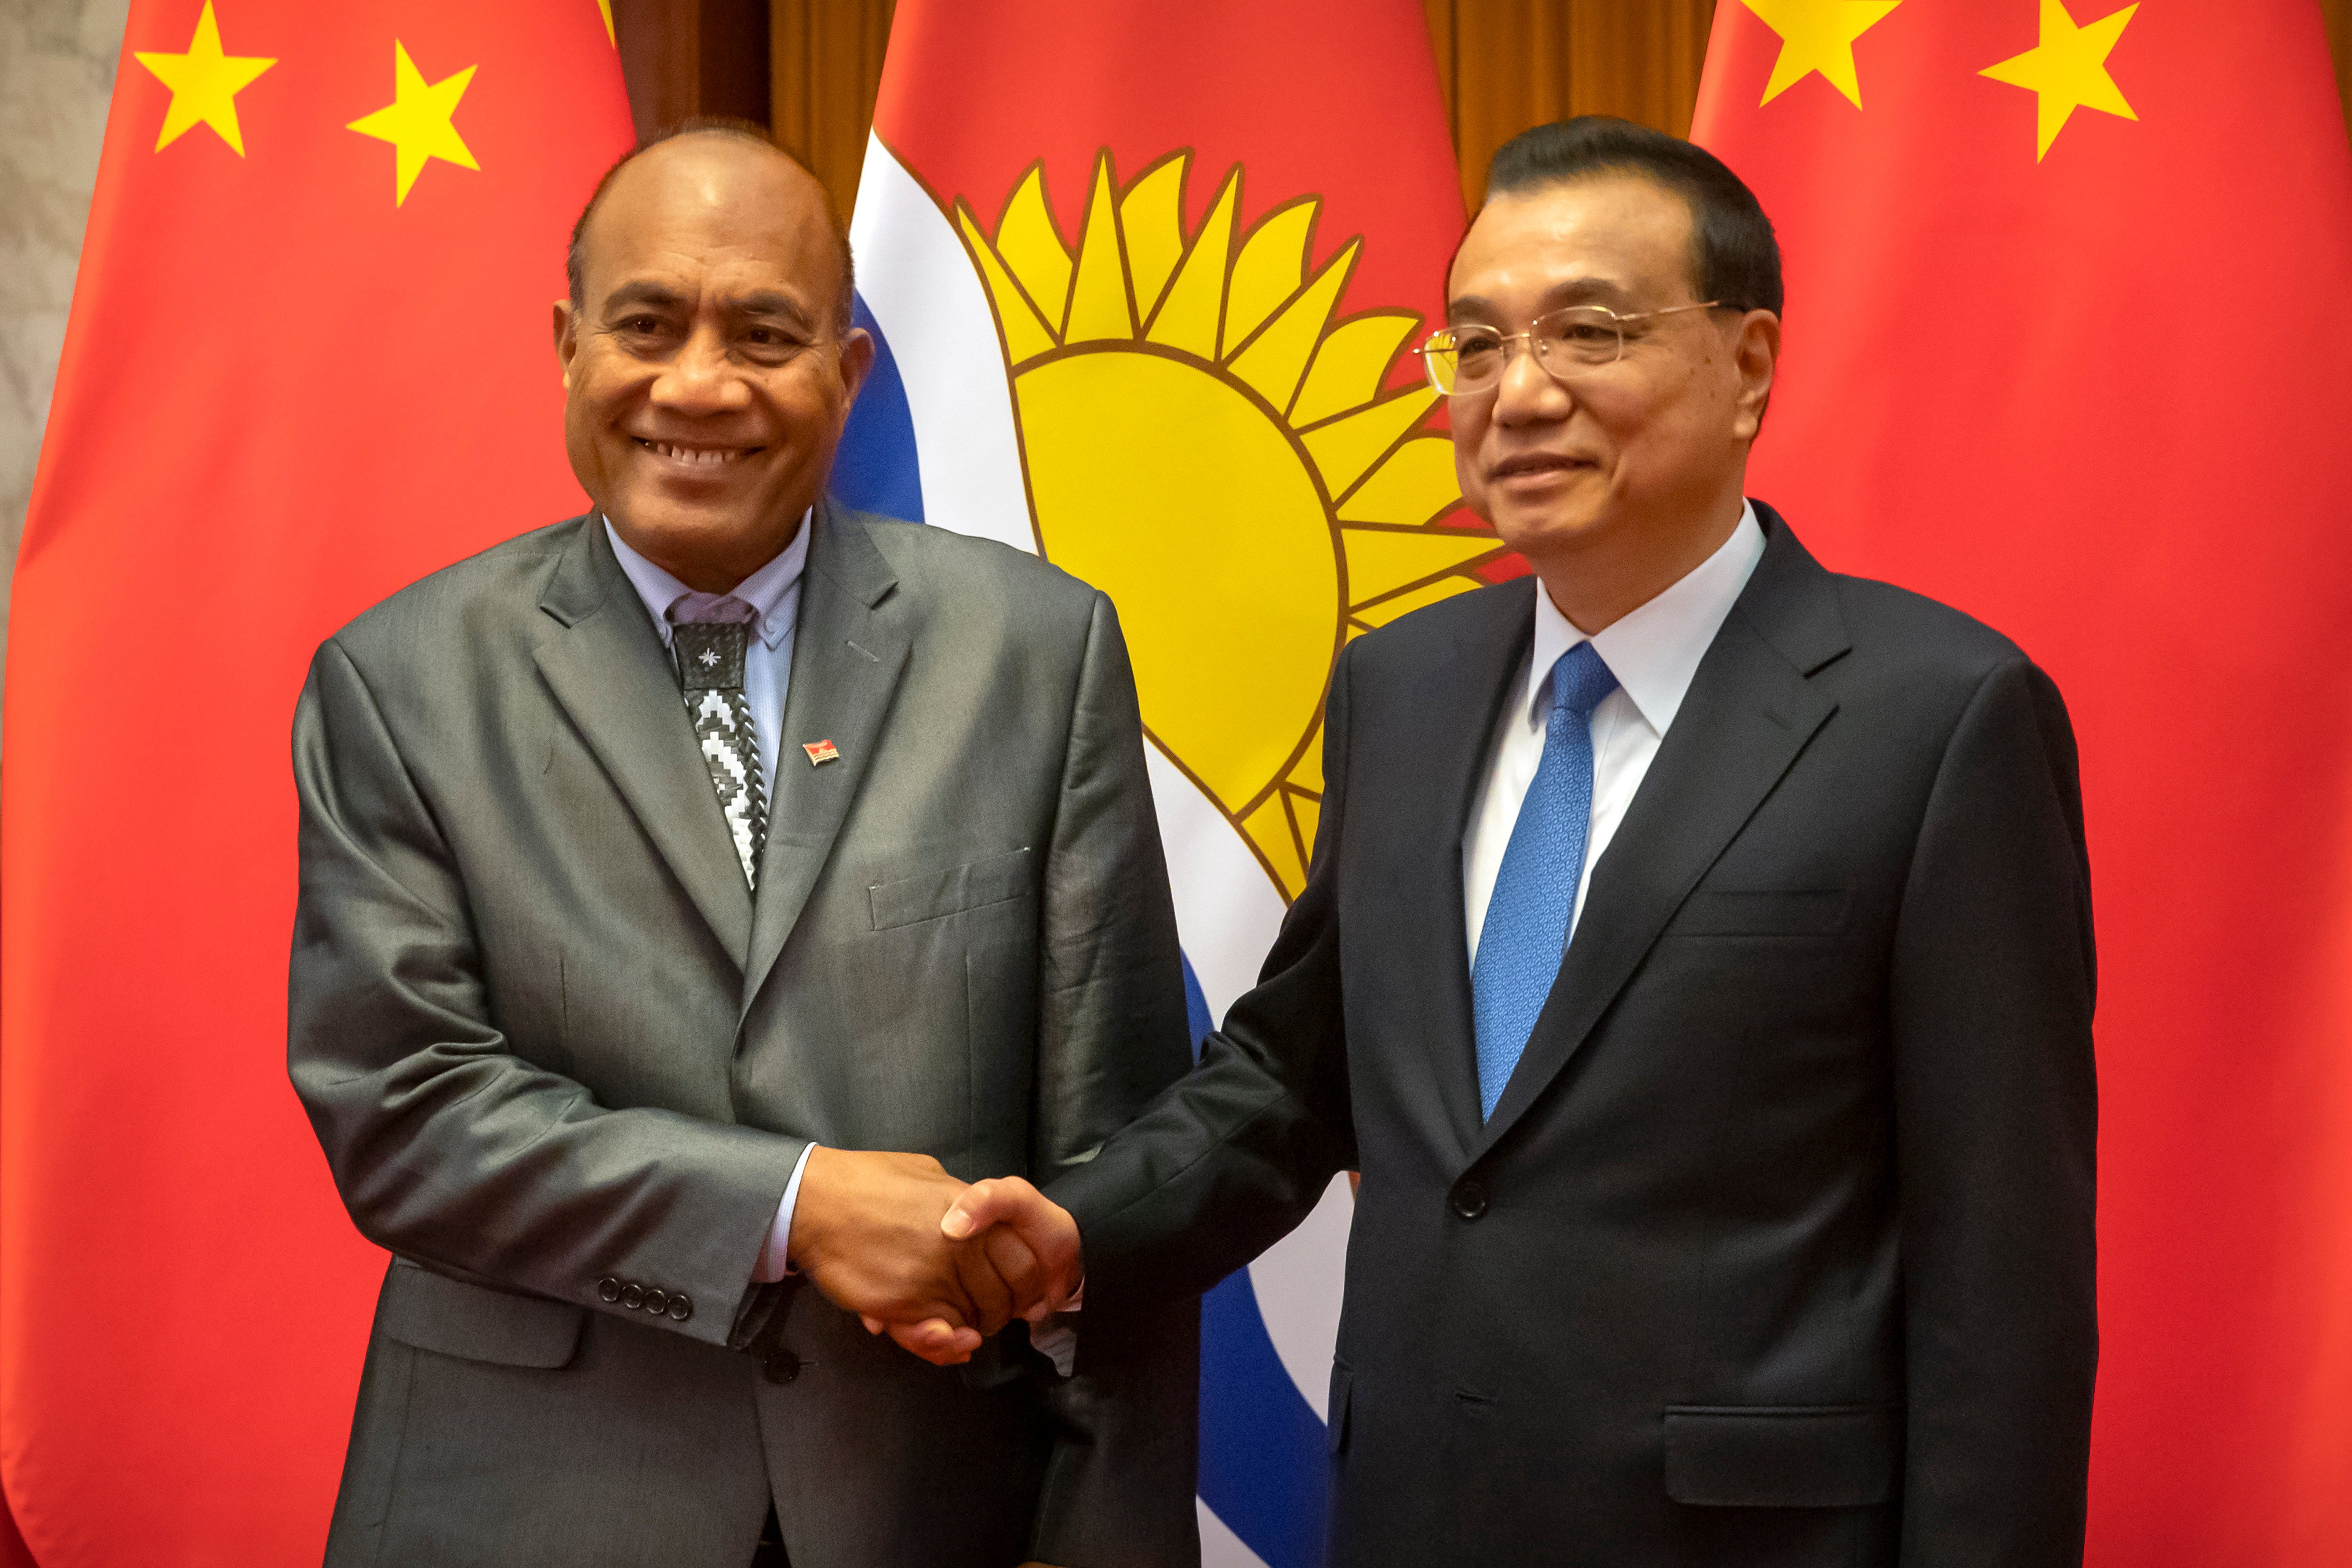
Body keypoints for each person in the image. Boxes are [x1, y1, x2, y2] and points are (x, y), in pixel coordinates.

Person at [925, 117, 2099, 1566]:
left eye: (1588, 333)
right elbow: (1300, 1077)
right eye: (1473, 347)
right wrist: (1078, 1228)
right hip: (1416, 1512)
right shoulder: (1401, 687)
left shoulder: (1942, 719)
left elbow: (2006, 1278)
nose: (1518, 393)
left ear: (1748, 366)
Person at [287, 122, 1198, 1568]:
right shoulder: (401, 680)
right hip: (526, 1508)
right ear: (569, 346)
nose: (698, 384)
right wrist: (794, 1205)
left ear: (844, 377)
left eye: (765, 334)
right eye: (646, 325)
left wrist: (1109, 1539)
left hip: (931, 1501)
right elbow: (404, 1112)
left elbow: (1121, 1167)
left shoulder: (1035, 653)